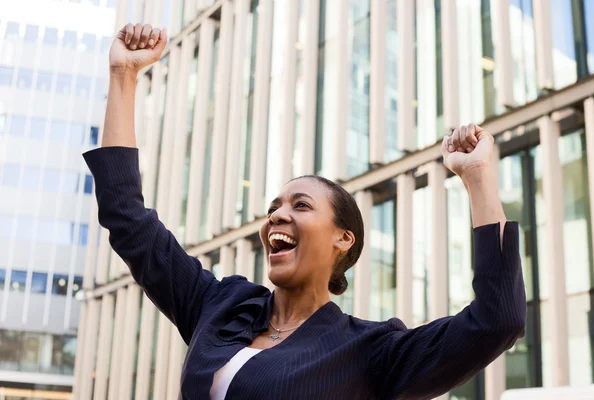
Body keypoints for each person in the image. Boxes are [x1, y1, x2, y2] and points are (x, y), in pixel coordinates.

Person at [83, 23, 526, 400]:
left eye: (301, 205)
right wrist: (123, 75)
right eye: (274, 206)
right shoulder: (218, 304)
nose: (277, 215)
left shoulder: (371, 350)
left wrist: (477, 177)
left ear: (343, 238)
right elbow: (128, 219)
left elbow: (496, 321)